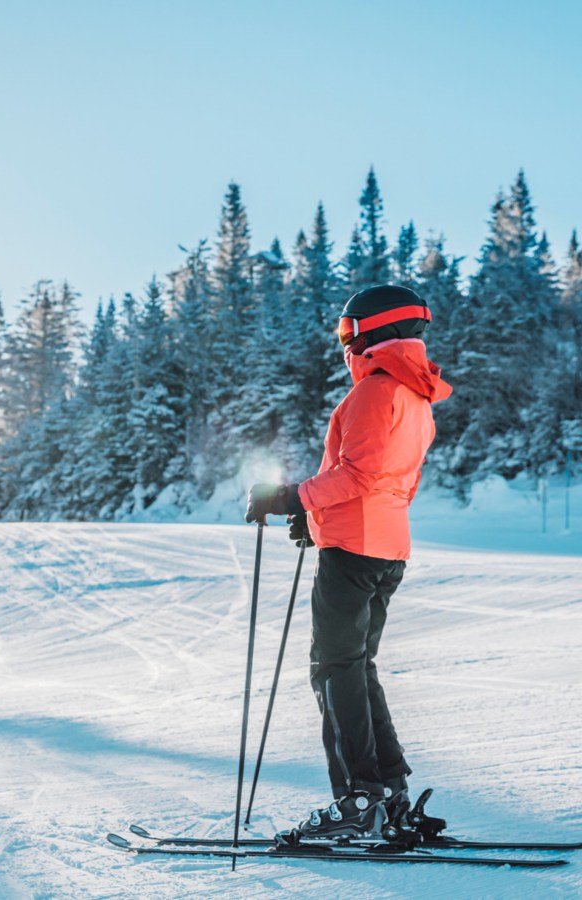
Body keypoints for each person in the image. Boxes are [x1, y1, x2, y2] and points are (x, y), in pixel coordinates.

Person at [244, 283, 452, 840]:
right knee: (358, 667)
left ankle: (359, 800)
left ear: (377, 331)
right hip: (386, 549)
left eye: (347, 331)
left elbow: (358, 475)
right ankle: (391, 794)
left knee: (334, 669)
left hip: (354, 553)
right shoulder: (417, 397)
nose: (344, 343)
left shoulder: (373, 394)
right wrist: (315, 519)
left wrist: (291, 498)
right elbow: (390, 486)